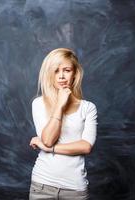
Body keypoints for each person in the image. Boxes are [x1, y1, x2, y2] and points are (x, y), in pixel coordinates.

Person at [29, 48, 98, 200]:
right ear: (49, 74)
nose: (61, 76)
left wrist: (48, 148)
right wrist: (60, 105)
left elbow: (85, 146)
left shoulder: (88, 108)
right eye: (56, 71)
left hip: (75, 189)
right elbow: (48, 139)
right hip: (42, 186)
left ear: (74, 74)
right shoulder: (39, 103)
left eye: (67, 70)